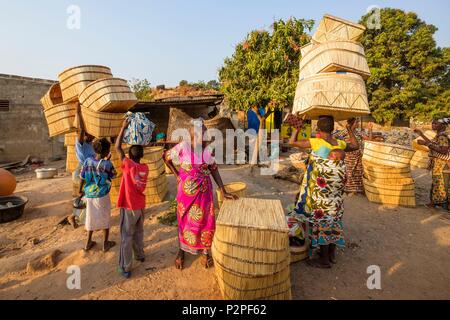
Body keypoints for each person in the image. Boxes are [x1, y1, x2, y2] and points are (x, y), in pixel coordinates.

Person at [164, 118, 238, 270]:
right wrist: (177, 174)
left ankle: (205, 252)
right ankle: (182, 252)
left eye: (204, 133)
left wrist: (223, 190)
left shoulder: (207, 151)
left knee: (206, 221)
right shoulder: (183, 146)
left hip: (204, 195)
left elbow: (214, 169)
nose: (202, 136)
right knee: (184, 222)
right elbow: (166, 158)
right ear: (192, 134)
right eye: (199, 133)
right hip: (186, 196)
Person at [288, 115, 359, 268]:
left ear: (318, 129)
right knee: (333, 220)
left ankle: (324, 260)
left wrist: (297, 127)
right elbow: (355, 145)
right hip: (336, 194)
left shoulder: (316, 142)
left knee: (323, 222)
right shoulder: (339, 143)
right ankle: (331, 254)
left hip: (322, 194)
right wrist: (349, 130)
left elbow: (291, 142)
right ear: (332, 129)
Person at [115, 119, 149, 278]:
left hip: (128, 206)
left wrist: (123, 127)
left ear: (129, 155)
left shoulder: (128, 165)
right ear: (142, 156)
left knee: (126, 236)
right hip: (140, 206)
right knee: (139, 232)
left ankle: (126, 267)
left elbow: (117, 147)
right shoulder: (145, 168)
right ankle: (140, 255)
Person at [80, 138, 117, 252]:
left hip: (89, 195)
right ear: (106, 152)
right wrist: (107, 161)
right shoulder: (108, 164)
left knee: (90, 217)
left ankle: (88, 243)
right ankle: (105, 244)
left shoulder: (87, 161)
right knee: (105, 217)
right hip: (102, 195)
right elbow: (113, 175)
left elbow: (82, 177)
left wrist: (79, 190)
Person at [415, 116, 450, 210]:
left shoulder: (442, 136)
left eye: (435, 123)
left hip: (442, 163)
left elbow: (444, 150)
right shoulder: (439, 135)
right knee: (437, 183)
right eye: (432, 123)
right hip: (438, 163)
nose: (433, 125)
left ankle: (438, 203)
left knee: (440, 183)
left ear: (442, 125)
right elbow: (433, 143)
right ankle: (434, 203)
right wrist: (421, 134)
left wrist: (426, 144)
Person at [333, 119, 374, 195]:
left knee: (357, 173)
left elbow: (369, 139)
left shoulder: (358, 132)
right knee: (348, 173)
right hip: (348, 157)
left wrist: (370, 129)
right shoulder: (345, 132)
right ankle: (346, 189)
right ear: (352, 123)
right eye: (356, 122)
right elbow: (333, 137)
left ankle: (356, 190)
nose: (358, 124)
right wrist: (340, 145)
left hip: (357, 156)